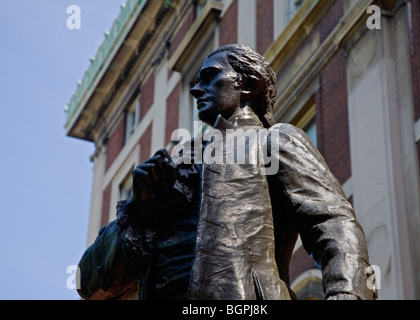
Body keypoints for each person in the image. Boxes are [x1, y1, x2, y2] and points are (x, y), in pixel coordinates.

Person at [77, 44, 377, 300]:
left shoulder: (273, 141)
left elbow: (333, 225)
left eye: (209, 77)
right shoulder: (171, 171)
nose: (196, 89)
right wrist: (142, 210)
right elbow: (88, 283)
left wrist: (345, 293)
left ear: (247, 85)